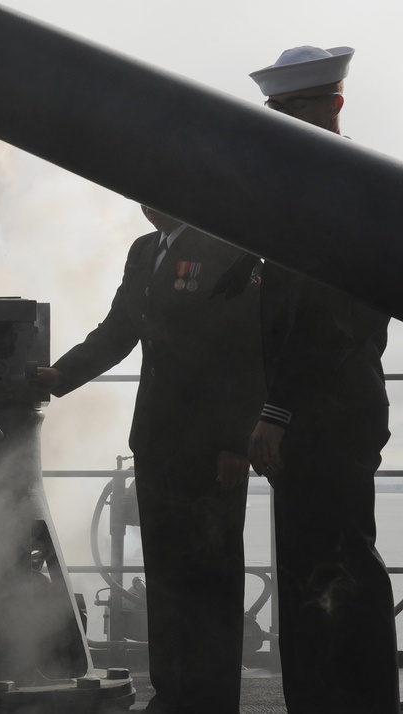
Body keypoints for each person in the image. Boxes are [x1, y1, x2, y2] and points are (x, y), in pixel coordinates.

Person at [34, 205, 264, 714]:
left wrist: (234, 440)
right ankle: (173, 692)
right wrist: (61, 375)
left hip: (209, 445)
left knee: (210, 576)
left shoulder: (226, 246)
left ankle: (211, 701)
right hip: (157, 438)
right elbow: (119, 330)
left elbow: (247, 348)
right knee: (166, 573)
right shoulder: (144, 251)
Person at [246, 46, 399, 713]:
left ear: (333, 105)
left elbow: (333, 319)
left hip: (330, 414)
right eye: (273, 112)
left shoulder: (354, 191)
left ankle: (363, 703)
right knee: (309, 571)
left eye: (292, 110)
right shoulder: (302, 193)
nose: (279, 123)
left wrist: (275, 410)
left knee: (342, 567)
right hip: (309, 414)